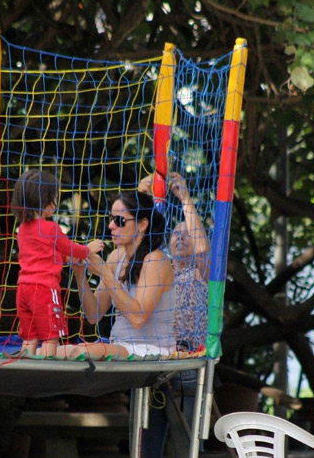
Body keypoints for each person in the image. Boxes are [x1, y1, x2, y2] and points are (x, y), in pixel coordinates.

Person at [138, 171, 209, 457]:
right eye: (175, 234)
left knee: (188, 444)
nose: (180, 238)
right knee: (148, 443)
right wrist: (143, 197)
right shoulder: (160, 268)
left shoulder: (200, 271)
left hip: (189, 363)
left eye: (185, 235)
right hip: (155, 361)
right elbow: (142, 240)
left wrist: (185, 199)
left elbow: (201, 245)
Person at [60, 190, 175, 360]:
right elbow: (93, 315)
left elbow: (138, 318)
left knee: (78, 352)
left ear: (142, 225)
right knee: (55, 351)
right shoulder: (116, 257)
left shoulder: (155, 260)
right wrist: (79, 274)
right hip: (122, 346)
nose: (111, 226)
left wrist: (104, 273)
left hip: (152, 349)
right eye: (111, 219)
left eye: (119, 221)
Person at [10, 169, 104, 358]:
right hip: (44, 289)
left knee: (30, 336)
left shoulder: (22, 229)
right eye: (55, 196)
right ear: (45, 199)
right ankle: (47, 366)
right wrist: (89, 249)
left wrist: (66, 259)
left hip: (24, 289)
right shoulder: (51, 227)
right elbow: (68, 248)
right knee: (51, 336)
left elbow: (43, 253)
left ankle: (26, 362)